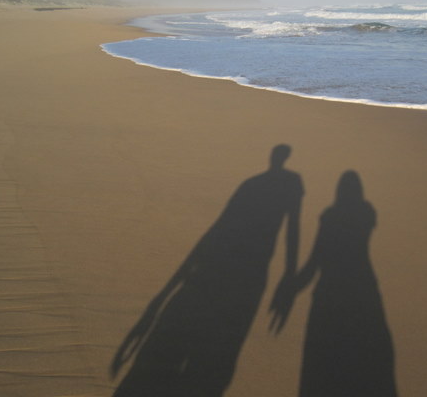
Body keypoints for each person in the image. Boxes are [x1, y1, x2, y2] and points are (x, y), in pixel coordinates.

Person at [111, 144, 303, 397]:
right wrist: (289, 275)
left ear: (272, 158)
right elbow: (292, 229)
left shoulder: (252, 184)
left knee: (207, 346)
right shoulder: (290, 184)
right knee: (224, 346)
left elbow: (219, 227)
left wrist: (176, 282)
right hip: (251, 272)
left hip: (224, 266)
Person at [271, 171, 397, 397]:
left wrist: (289, 289)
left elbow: (313, 265)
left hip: (329, 300)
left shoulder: (331, 219)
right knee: (370, 367)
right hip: (364, 296)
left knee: (323, 371)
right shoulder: (365, 216)